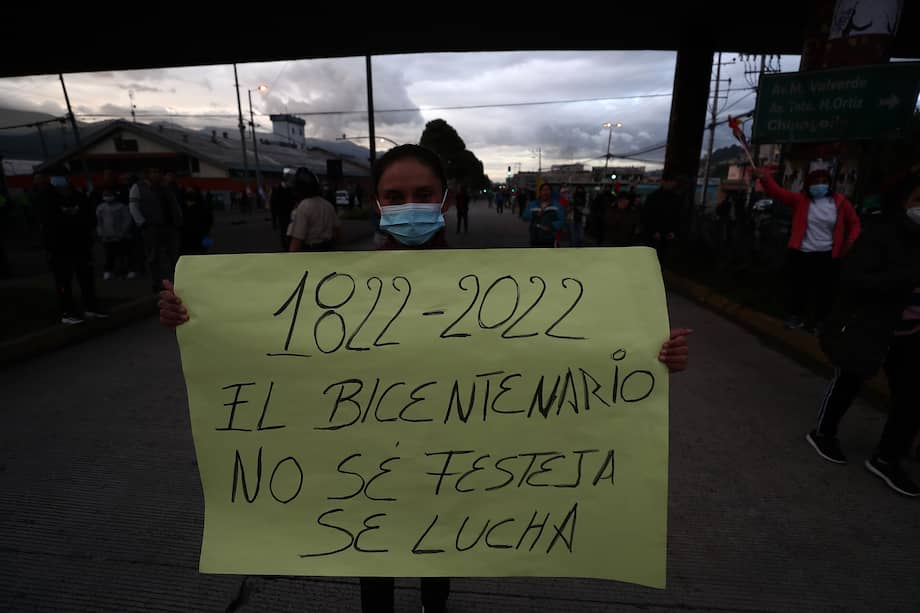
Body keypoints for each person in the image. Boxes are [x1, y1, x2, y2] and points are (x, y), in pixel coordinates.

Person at [157, 144, 693, 612]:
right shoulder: (329, 289)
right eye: (394, 196)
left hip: (455, 462)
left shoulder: (487, 290)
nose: (408, 205)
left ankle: (434, 602)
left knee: (443, 541)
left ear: (443, 198)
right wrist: (197, 320)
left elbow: (561, 357)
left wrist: (652, 356)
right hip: (361, 459)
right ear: (377, 203)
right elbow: (263, 345)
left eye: (422, 193)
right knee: (370, 549)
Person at [807, 171, 920, 497]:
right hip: (871, 326)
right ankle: (824, 432)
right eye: (918, 199)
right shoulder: (881, 233)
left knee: (911, 397)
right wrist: (906, 277)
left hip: (912, 332)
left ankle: (888, 457)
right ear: (902, 201)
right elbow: (855, 279)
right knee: (850, 380)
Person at [754, 165, 861, 333]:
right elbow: (778, 193)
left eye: (824, 181)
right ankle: (795, 317)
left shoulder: (840, 202)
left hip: (828, 255)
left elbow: (854, 223)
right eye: (816, 181)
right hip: (802, 252)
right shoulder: (800, 200)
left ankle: (819, 322)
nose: (820, 184)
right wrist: (765, 178)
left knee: (824, 291)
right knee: (799, 288)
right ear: (809, 184)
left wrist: (851, 241)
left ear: (830, 184)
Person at [38, 176, 107, 324]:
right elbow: (48, 223)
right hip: (59, 248)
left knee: (86, 278)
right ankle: (67, 311)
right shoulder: (48, 200)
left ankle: (91, 306)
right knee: (64, 281)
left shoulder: (78, 197)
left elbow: (90, 217)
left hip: (80, 245)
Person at [129, 167, 183, 293]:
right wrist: (142, 223)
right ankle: (157, 283)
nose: (157, 174)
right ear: (147, 174)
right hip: (151, 227)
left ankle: (175, 282)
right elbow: (133, 207)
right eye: (154, 172)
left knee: (174, 256)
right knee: (154, 257)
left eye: (159, 172)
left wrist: (178, 220)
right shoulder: (138, 187)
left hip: (170, 226)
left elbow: (174, 204)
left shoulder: (165, 187)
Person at [286, 167, 342, 252]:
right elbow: (339, 233)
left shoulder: (303, 207)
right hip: (329, 250)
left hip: (311, 252)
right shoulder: (328, 205)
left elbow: (297, 240)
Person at [96, 189, 134, 279]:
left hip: (121, 236)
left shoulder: (121, 207)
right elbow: (99, 222)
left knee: (123, 255)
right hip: (107, 237)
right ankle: (108, 271)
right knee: (109, 255)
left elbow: (127, 220)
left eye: (110, 195)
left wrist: (122, 233)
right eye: (106, 195)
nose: (108, 197)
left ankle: (125, 271)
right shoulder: (101, 208)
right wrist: (101, 233)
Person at [641, 176, 682, 260]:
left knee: (659, 257)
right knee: (657, 257)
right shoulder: (674, 198)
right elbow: (647, 215)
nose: (672, 184)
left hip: (663, 233)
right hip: (658, 233)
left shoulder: (654, 196)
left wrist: (673, 231)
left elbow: (678, 216)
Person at [523, 183, 565, 247]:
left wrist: (551, 227)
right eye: (544, 190)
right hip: (535, 238)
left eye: (548, 190)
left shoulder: (557, 205)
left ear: (551, 192)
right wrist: (534, 214)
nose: (545, 192)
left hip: (550, 239)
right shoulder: (532, 204)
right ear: (540, 192)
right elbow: (525, 217)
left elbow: (561, 220)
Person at [179, 187, 214, 256]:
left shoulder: (182, 208)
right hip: (192, 239)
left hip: (190, 240)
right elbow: (209, 221)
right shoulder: (203, 207)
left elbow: (209, 221)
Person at [270, 169, 298, 252]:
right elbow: (273, 205)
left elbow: (273, 205)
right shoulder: (278, 190)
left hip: (288, 214)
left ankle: (288, 246)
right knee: (284, 231)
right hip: (283, 214)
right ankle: (286, 247)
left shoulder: (289, 189)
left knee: (288, 231)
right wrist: (274, 220)